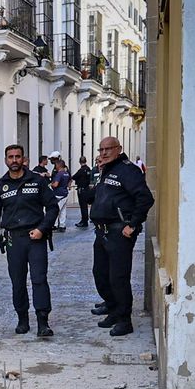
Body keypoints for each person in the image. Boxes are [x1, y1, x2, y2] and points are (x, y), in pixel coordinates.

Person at [0, 144, 59, 338]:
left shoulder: (37, 181)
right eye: (11, 157)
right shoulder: (0, 186)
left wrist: (42, 229)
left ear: (24, 159)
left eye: (18, 156)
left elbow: (52, 207)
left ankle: (43, 322)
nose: (14, 160)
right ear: (5, 160)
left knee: (39, 279)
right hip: (13, 241)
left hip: (35, 239)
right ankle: (22, 319)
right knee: (17, 282)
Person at [89, 137, 155, 337]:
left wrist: (133, 224)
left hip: (119, 232)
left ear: (119, 149)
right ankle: (113, 309)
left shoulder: (128, 170)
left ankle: (125, 320)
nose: (104, 153)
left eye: (108, 149)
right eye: (101, 149)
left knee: (118, 277)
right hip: (102, 231)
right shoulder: (105, 170)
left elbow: (145, 198)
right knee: (100, 274)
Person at [49, 154, 72, 231]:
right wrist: (68, 186)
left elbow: (56, 184)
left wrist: (51, 184)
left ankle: (54, 225)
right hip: (65, 193)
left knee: (56, 209)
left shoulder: (59, 174)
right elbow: (70, 181)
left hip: (58, 194)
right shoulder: (66, 173)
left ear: (58, 165)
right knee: (63, 211)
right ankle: (62, 225)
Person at [72, 156, 94, 228]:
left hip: (81, 190)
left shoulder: (81, 170)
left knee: (83, 206)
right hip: (87, 189)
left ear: (80, 162)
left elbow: (74, 177)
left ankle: (84, 221)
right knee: (85, 206)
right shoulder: (88, 169)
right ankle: (85, 220)